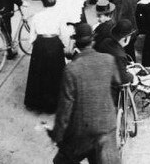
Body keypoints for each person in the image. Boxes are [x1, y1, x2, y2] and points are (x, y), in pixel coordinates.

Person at [48, 23, 122, 164]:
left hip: (82, 133)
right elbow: (117, 81)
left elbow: (65, 108)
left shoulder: (71, 69)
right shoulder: (108, 60)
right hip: (106, 128)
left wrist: (57, 135)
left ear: (76, 44)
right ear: (93, 41)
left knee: (61, 162)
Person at [24, 0, 66, 113]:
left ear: (42, 2)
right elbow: (63, 34)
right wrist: (63, 45)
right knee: (55, 74)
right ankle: (54, 103)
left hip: (40, 45)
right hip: (54, 43)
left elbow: (32, 36)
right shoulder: (60, 15)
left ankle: (37, 103)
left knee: (39, 73)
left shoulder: (37, 16)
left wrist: (34, 45)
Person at [94, 19, 136, 100]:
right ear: (126, 38)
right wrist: (132, 76)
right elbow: (123, 79)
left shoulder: (106, 42)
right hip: (111, 92)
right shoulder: (120, 55)